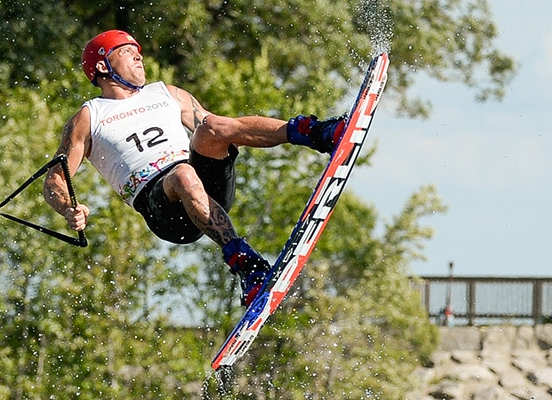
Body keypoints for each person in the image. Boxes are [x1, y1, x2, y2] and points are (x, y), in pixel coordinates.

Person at [43, 30, 346, 307]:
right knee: (182, 176)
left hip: (206, 190)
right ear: (101, 68)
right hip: (162, 210)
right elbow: (55, 179)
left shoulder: (167, 93)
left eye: (138, 51)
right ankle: (248, 268)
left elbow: (227, 130)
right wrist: (69, 208)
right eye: (125, 51)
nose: (138, 56)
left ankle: (319, 134)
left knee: (213, 126)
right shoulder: (89, 116)